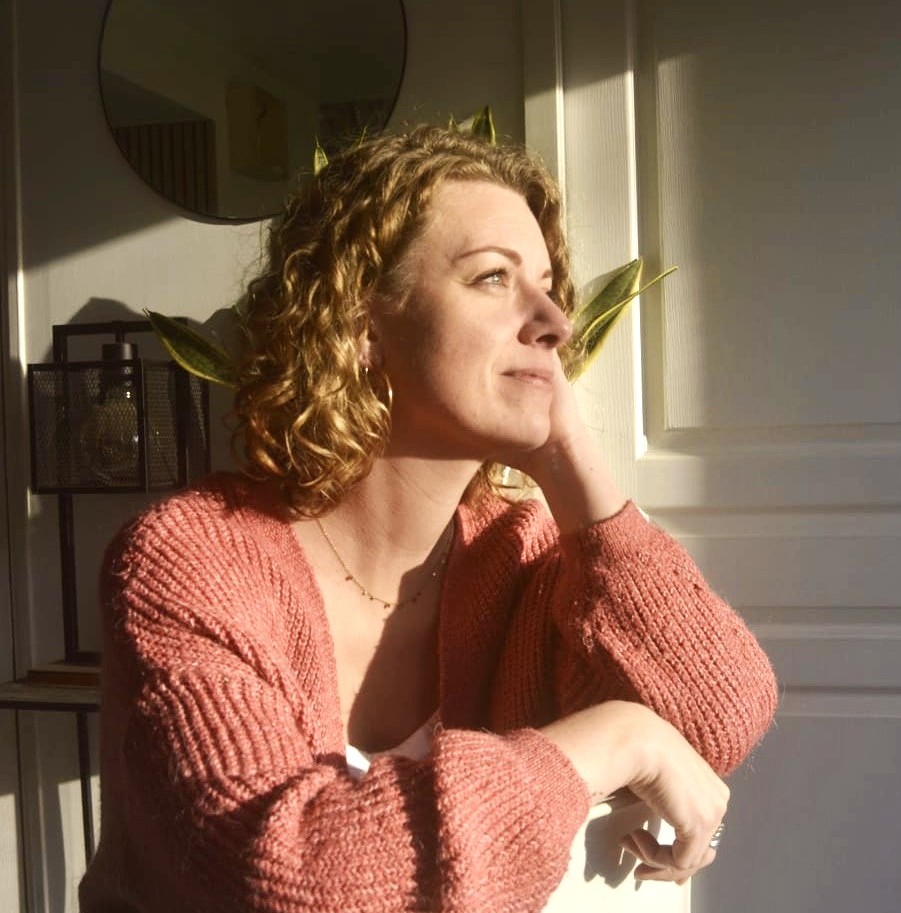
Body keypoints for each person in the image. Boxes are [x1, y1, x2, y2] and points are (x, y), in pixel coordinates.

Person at [79, 125, 778, 913]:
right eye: (492, 277)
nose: (553, 320)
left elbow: (716, 715)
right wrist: (621, 737)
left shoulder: (519, 554)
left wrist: (567, 459)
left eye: (548, 287)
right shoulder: (191, 555)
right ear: (359, 326)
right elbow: (294, 876)